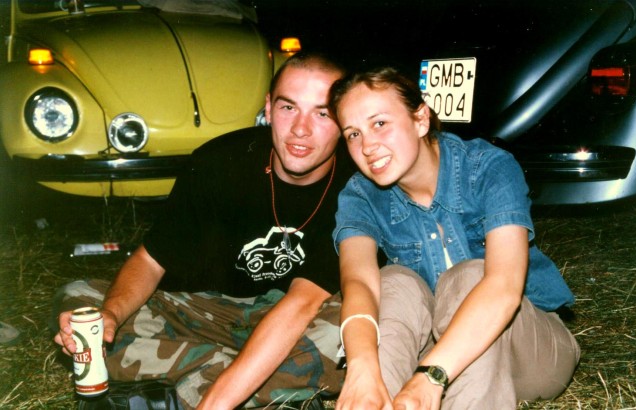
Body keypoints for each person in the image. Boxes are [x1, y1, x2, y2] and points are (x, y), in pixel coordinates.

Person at [53, 51, 353, 410]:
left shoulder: (356, 189)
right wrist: (112, 317)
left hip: (291, 318)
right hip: (203, 311)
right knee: (80, 300)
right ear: (269, 108)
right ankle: (253, 381)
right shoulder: (219, 161)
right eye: (289, 107)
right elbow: (150, 261)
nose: (301, 129)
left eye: (322, 113)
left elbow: (301, 305)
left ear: (344, 120)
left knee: (352, 332)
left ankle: (185, 390)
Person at [328, 67, 580, 409]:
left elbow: (504, 287)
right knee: (392, 281)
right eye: (353, 134)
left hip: (528, 352)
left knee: (469, 276)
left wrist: (429, 375)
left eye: (380, 123)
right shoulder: (360, 195)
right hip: (434, 353)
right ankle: (373, 400)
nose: (368, 146)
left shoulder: (488, 167)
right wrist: (361, 367)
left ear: (420, 119)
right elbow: (358, 281)